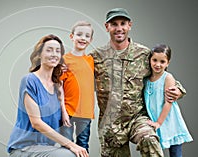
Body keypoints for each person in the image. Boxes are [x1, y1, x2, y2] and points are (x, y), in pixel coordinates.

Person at [90, 8, 186, 157]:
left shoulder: (143, 54)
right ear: (107, 26)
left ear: (130, 25)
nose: (119, 28)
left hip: (137, 119)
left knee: (150, 140)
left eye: (123, 23)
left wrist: (178, 90)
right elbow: (77, 76)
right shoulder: (96, 57)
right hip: (111, 125)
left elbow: (161, 74)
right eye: (114, 24)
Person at [7, 34, 89, 157]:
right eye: (49, 50)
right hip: (24, 148)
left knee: (78, 154)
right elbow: (36, 123)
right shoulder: (29, 81)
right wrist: (71, 144)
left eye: (58, 51)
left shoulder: (58, 86)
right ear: (39, 54)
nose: (54, 54)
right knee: (69, 155)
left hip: (46, 148)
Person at [144, 44, 193, 157]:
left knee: (175, 152)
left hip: (169, 121)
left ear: (168, 63)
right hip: (155, 118)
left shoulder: (168, 78)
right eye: (154, 60)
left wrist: (159, 123)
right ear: (150, 60)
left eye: (162, 62)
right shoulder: (146, 78)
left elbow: (168, 102)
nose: (157, 64)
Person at [60, 21, 95, 153]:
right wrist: (63, 111)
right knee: (67, 147)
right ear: (71, 36)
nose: (82, 38)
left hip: (85, 112)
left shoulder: (92, 60)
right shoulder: (64, 60)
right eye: (79, 34)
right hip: (67, 111)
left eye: (87, 36)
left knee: (83, 146)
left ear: (90, 40)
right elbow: (59, 88)